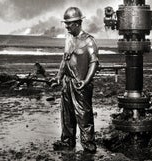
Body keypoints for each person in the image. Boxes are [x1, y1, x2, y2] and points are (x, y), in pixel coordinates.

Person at [50, 7, 99, 153]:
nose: (66, 26)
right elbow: (65, 59)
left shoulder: (89, 41)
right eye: (65, 23)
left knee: (84, 115)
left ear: (77, 23)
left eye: (69, 23)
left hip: (81, 84)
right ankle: (67, 141)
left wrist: (86, 80)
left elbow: (94, 62)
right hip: (67, 82)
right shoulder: (69, 38)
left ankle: (88, 144)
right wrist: (59, 77)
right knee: (67, 114)